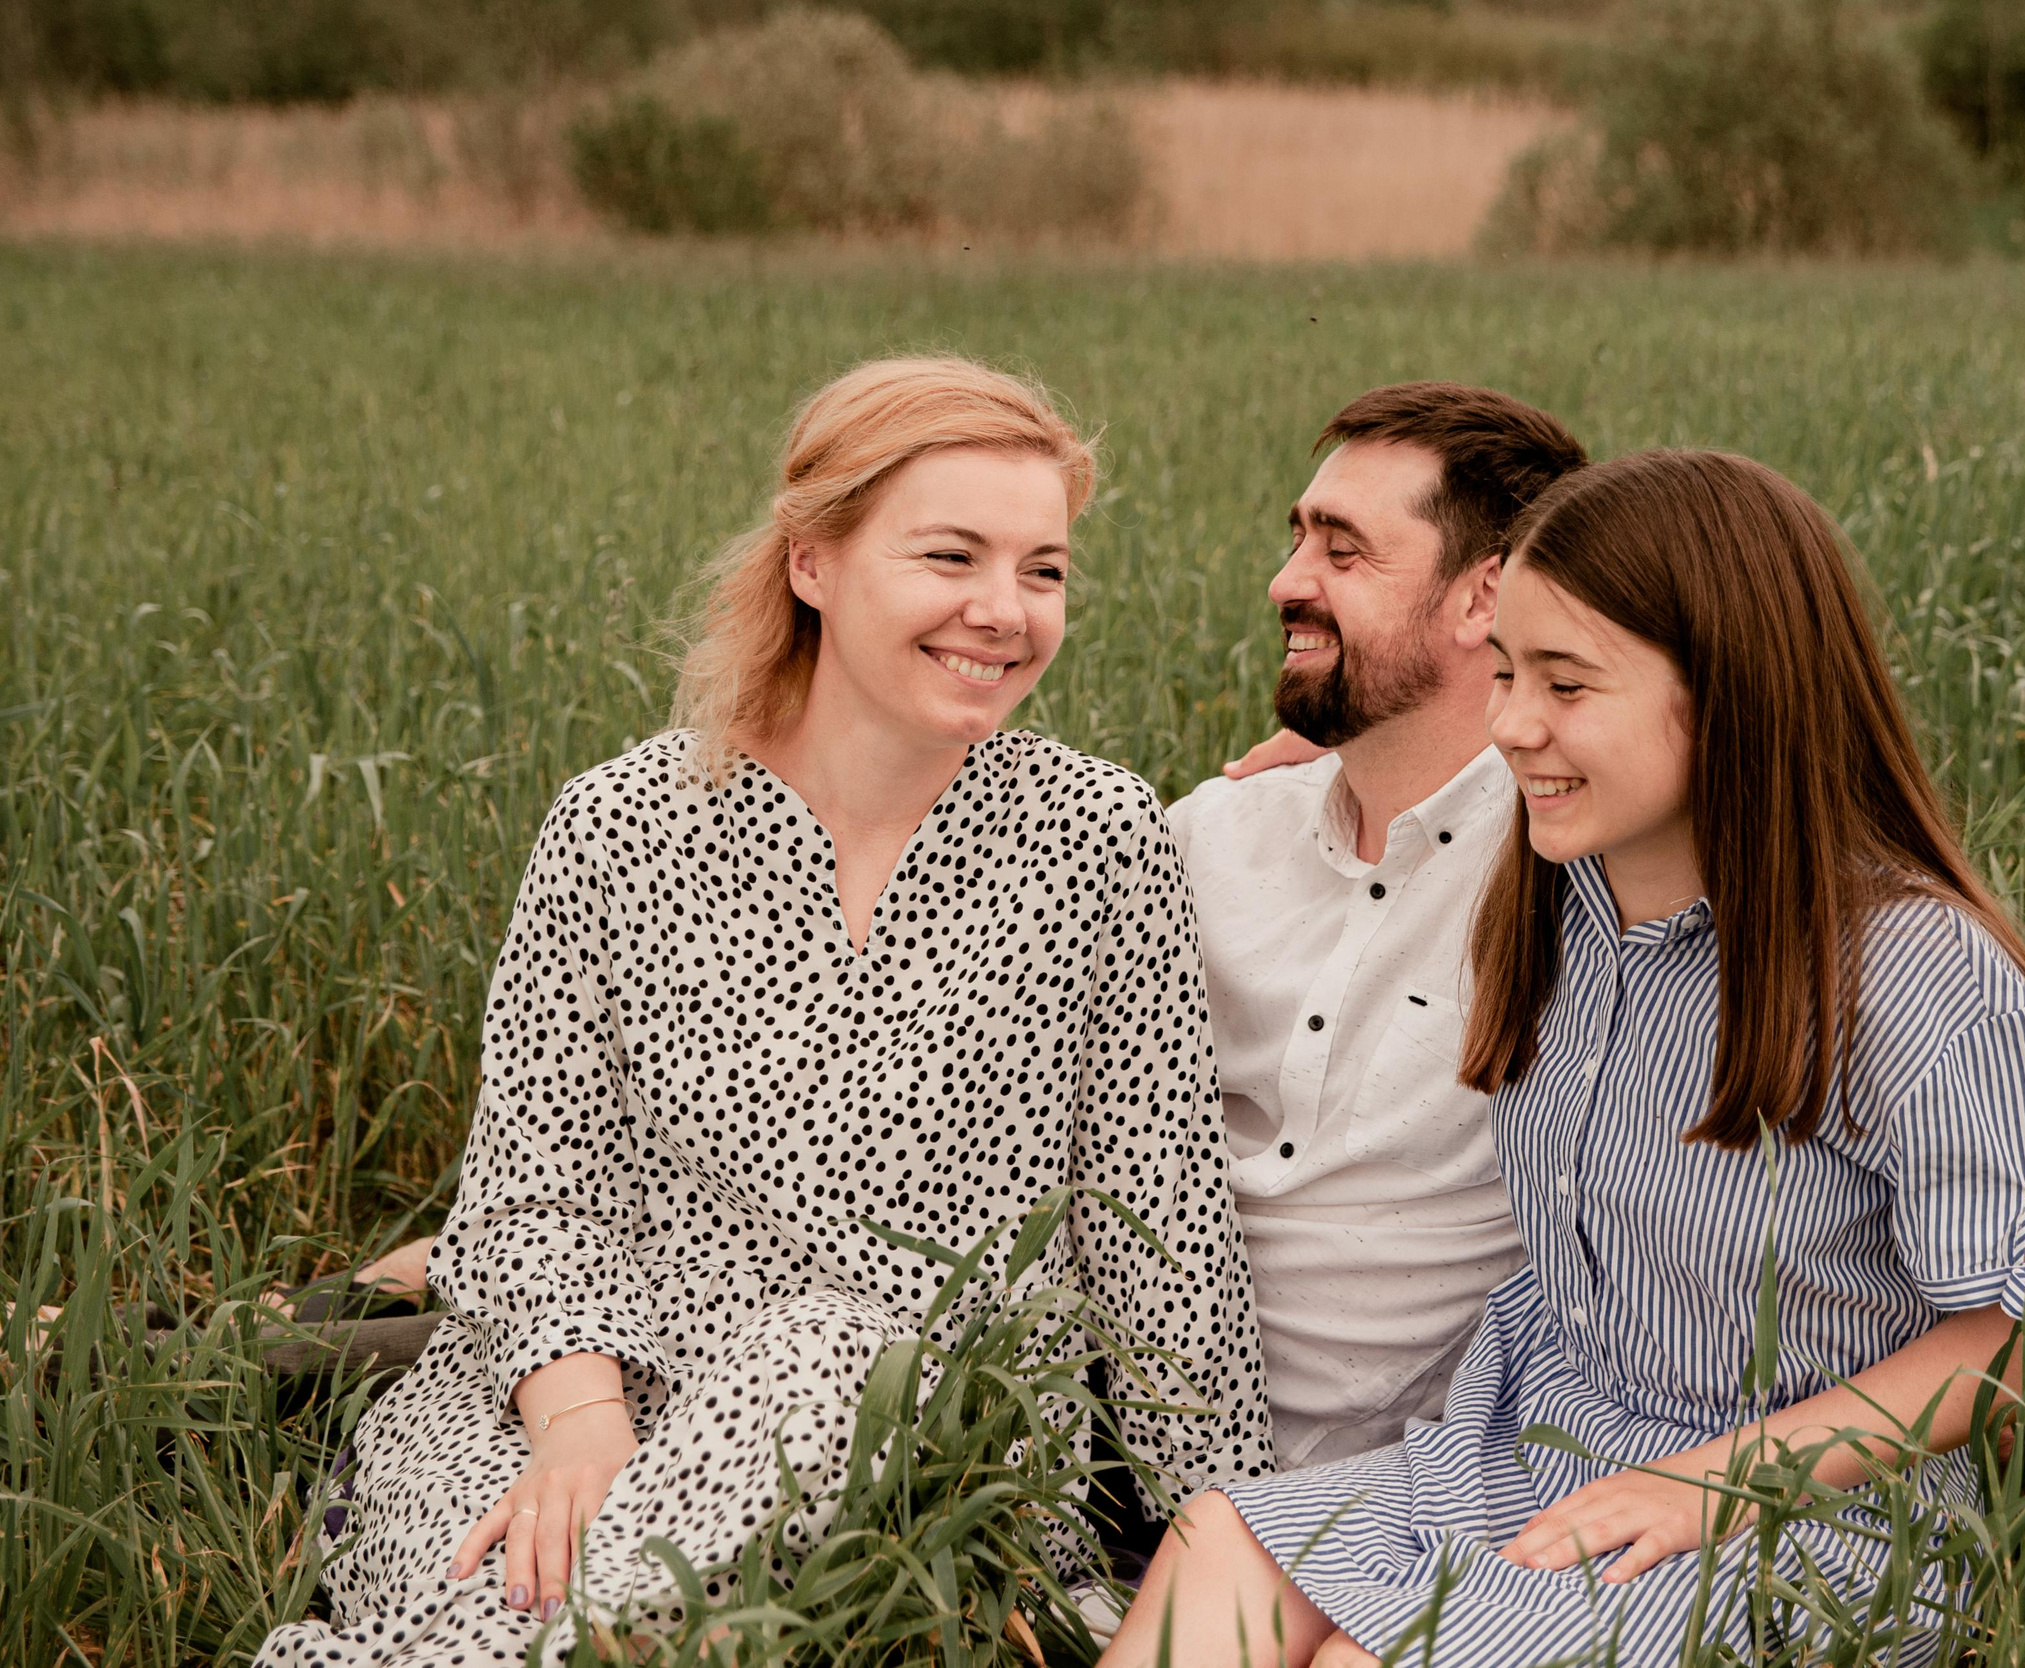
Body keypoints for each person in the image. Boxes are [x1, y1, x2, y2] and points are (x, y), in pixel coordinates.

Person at [256, 356, 1275, 1668]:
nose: (1004, 610)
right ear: (812, 563)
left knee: (826, 1362)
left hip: (902, 1429)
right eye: (950, 556)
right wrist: (582, 1428)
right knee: (498, 1558)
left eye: (1044, 570)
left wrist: (1238, 1531)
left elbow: (1161, 1232)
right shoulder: (620, 828)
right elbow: (528, 1195)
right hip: (581, 1397)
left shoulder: (1095, 835)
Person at [1100, 449, 2025, 1668]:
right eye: (1503, 672)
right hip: (1534, 1432)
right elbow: (1435, 753)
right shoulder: (1555, 888)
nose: (1510, 725)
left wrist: (1716, 1484)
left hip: (1806, 1509)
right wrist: (1331, 756)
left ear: (1732, 692)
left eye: (1565, 684)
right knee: (1221, 1547)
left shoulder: (1910, 972)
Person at [1169, 383, 1587, 1472]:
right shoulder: (1210, 836)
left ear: (1486, 596)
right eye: (1298, 539)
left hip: (1392, 1494)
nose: (1286, 583)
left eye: (1342, 552)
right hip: (1113, 1443)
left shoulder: (1575, 873)